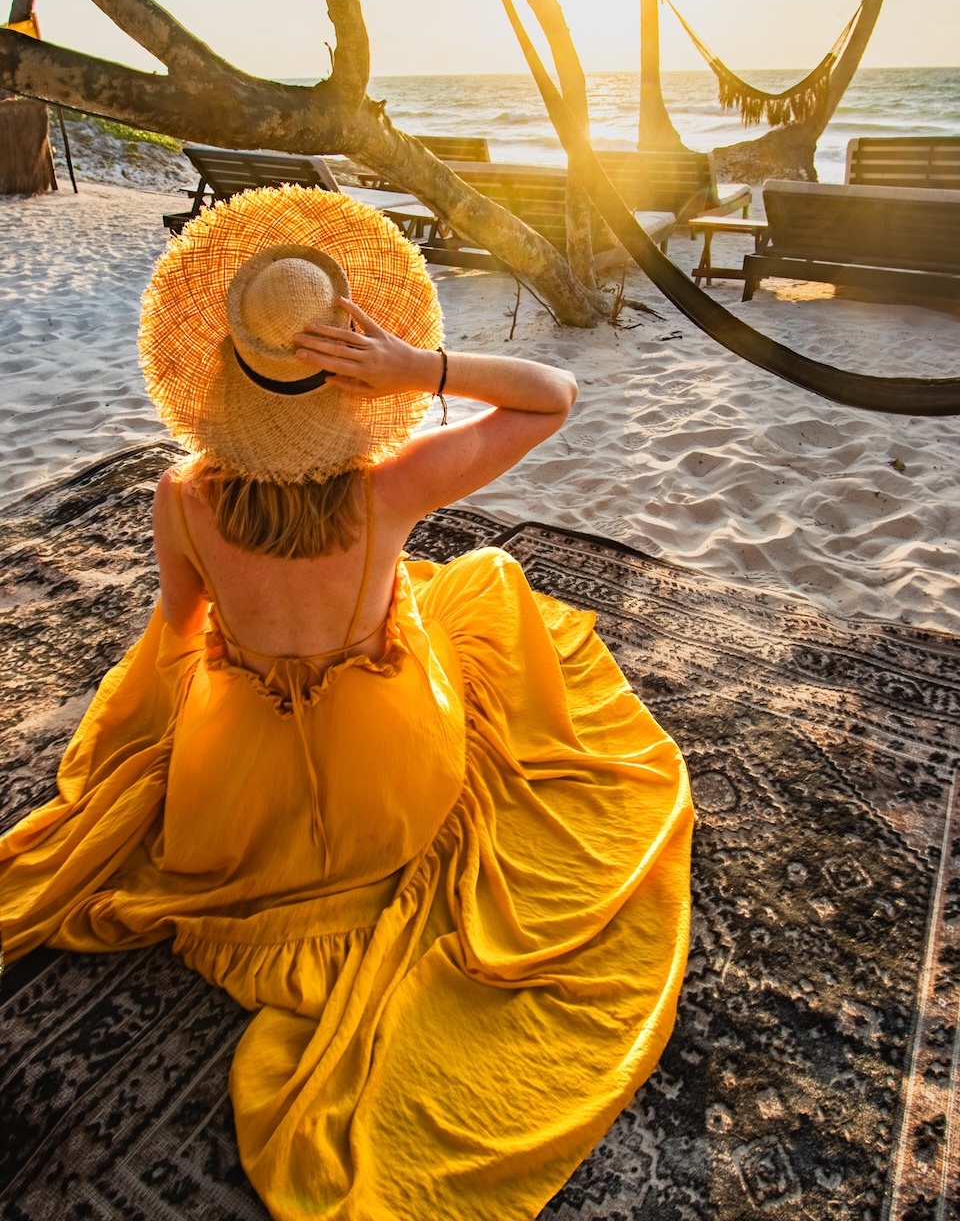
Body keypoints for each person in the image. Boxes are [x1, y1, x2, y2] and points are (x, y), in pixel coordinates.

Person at [0, 186, 693, 1221]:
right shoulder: (387, 489)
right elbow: (552, 395)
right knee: (487, 585)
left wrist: (157, 722)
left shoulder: (183, 496)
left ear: (225, 371)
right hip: (382, 774)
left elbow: (181, 628)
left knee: (327, 634)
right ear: (347, 376)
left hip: (227, 790)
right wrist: (423, 371)